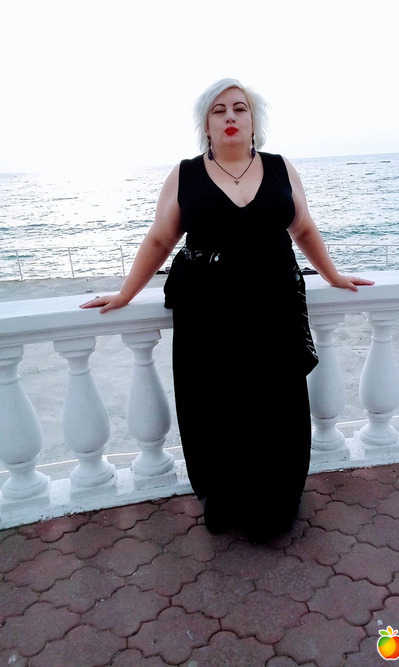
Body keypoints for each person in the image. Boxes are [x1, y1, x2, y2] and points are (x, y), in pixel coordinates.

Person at [81, 78, 373, 541]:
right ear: (206, 126)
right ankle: (223, 499)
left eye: (240, 108)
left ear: (254, 121)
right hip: (207, 312)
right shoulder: (185, 174)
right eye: (218, 111)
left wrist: (333, 275)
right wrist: (125, 294)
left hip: (273, 307)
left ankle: (275, 502)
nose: (230, 117)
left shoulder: (279, 168)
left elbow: (304, 229)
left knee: (276, 403)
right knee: (214, 403)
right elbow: (159, 239)